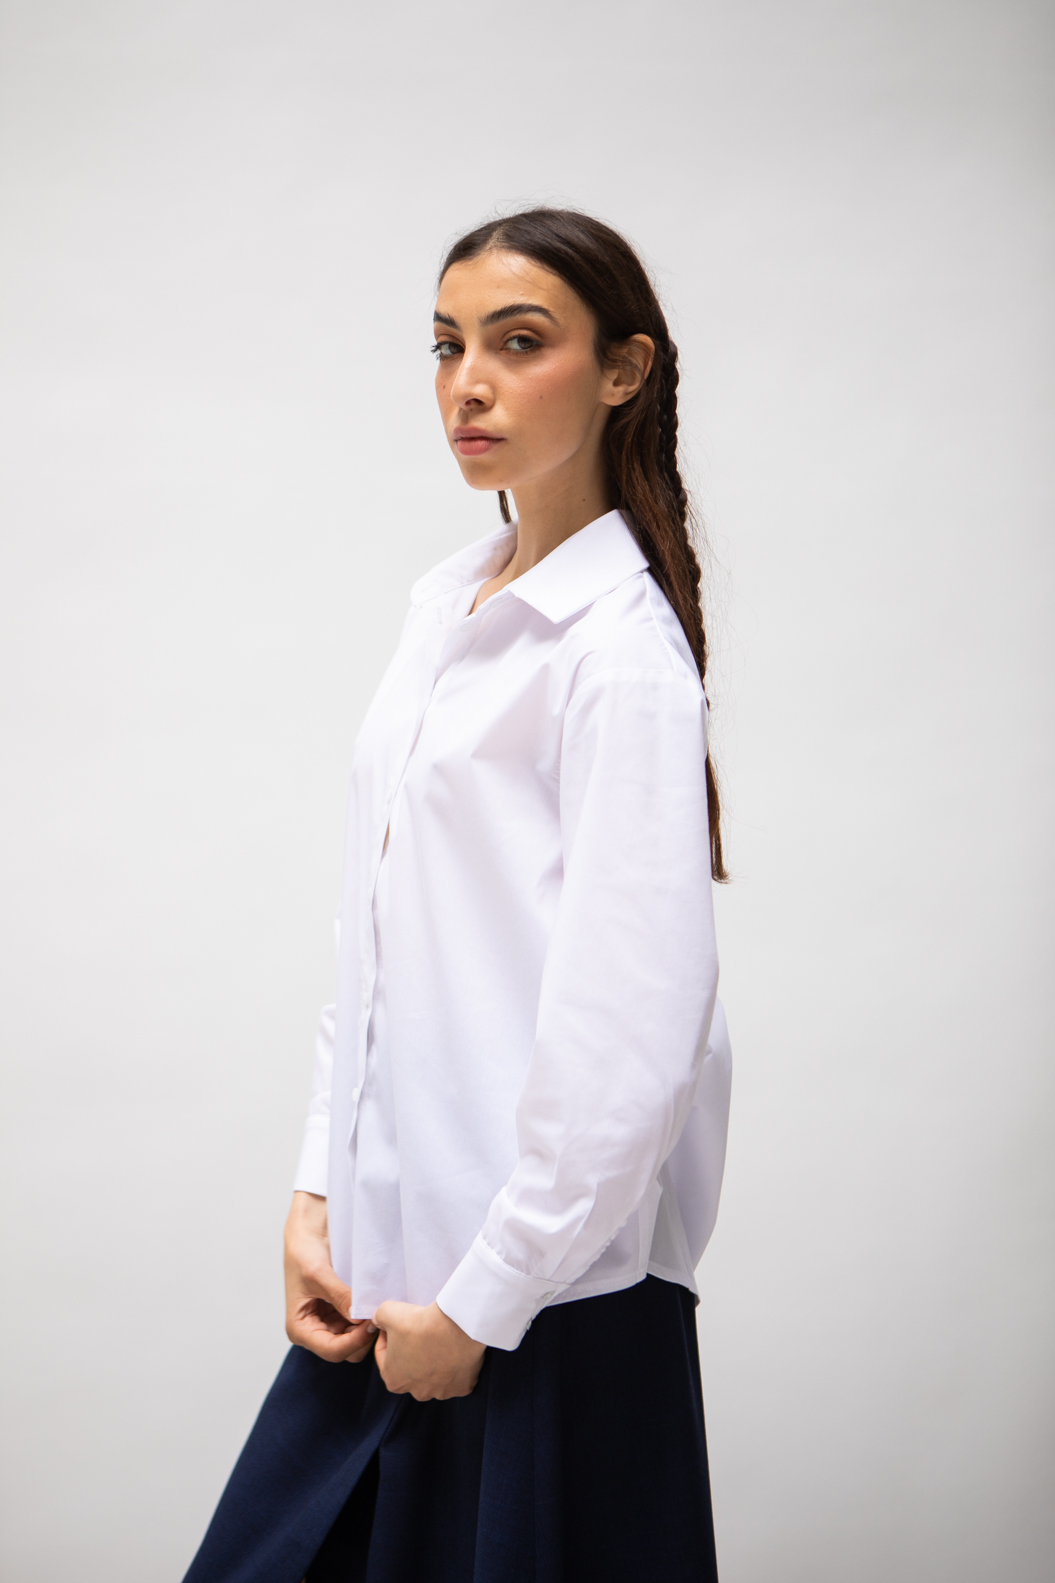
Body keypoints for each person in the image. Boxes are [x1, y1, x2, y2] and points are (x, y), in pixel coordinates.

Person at [183, 206, 733, 1583]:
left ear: (624, 371)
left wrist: (486, 1301)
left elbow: (634, 1043)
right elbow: (374, 940)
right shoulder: (448, 609)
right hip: (390, 1285)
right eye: (446, 345)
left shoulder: (619, 656)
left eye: (519, 342)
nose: (467, 383)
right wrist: (320, 1193)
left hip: (538, 1312)